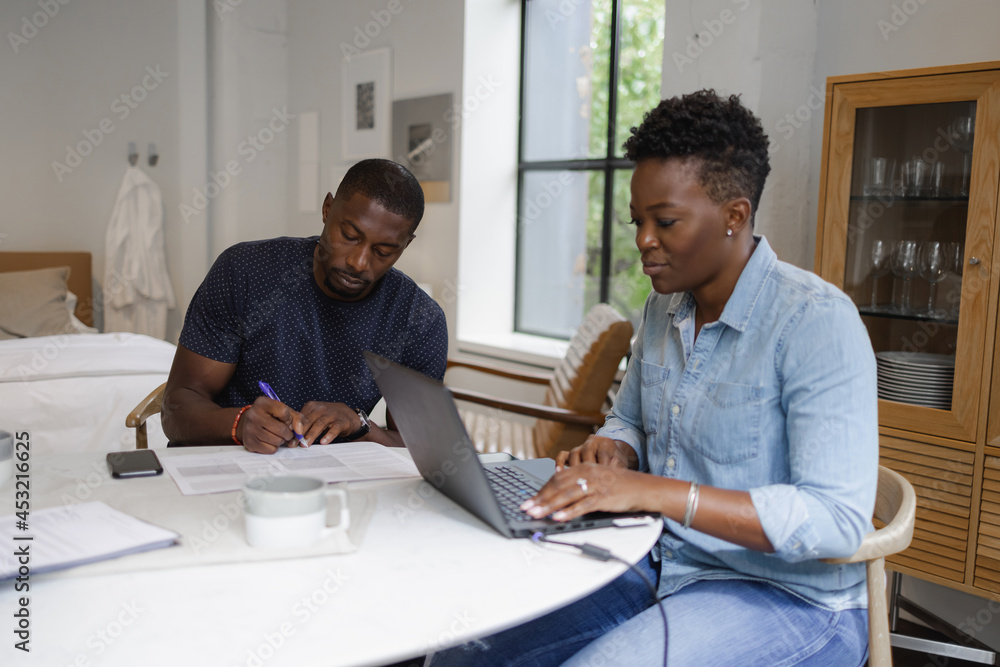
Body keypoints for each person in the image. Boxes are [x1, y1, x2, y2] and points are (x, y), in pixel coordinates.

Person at [432, 90, 877, 666]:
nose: (643, 239)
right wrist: (615, 447)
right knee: (465, 652)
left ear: (734, 216)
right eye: (638, 220)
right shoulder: (664, 309)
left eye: (664, 221)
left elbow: (836, 522)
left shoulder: (815, 321)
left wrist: (650, 491)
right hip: (661, 557)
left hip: (787, 598)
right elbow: (632, 418)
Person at [161, 158, 448, 453]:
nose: (358, 262)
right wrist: (239, 422)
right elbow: (175, 412)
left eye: (383, 251)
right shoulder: (245, 272)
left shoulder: (420, 318)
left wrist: (360, 425)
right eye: (349, 236)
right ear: (327, 209)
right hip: (228, 469)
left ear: (406, 245)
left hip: (336, 485)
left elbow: (419, 448)